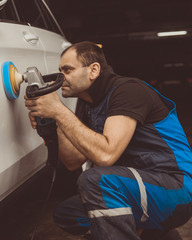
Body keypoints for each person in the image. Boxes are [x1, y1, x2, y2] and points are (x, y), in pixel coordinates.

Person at [24, 41, 192, 239]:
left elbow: (105, 155)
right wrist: (54, 123)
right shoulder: (90, 104)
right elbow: (73, 161)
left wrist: (60, 110)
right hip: (139, 187)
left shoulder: (128, 91)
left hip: (174, 188)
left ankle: (154, 227)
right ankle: (158, 234)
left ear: (93, 70)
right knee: (69, 214)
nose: (61, 78)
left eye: (68, 70)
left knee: (97, 180)